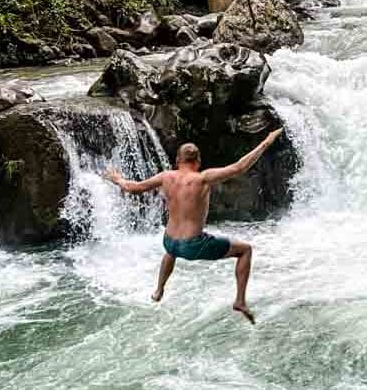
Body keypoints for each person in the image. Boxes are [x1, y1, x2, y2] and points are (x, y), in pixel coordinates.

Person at [104, 129, 284, 324]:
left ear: (177, 161)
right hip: (193, 245)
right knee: (245, 250)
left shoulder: (165, 177)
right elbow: (239, 167)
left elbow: (133, 188)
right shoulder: (202, 178)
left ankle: (159, 290)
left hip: (169, 242)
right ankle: (240, 301)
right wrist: (267, 141)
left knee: (171, 251)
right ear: (198, 162)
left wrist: (117, 179)